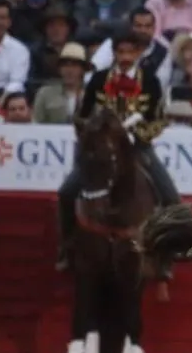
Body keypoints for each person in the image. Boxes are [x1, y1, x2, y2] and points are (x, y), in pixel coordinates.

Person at [56, 31, 179, 275]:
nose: (124, 57)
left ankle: (163, 255)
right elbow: (82, 116)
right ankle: (67, 245)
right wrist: (96, 134)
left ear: (137, 54)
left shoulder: (151, 81)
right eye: (120, 52)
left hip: (137, 147)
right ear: (113, 54)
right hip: (102, 149)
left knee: (171, 197)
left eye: (129, 52)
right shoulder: (99, 79)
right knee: (66, 192)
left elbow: (160, 119)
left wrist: (139, 135)